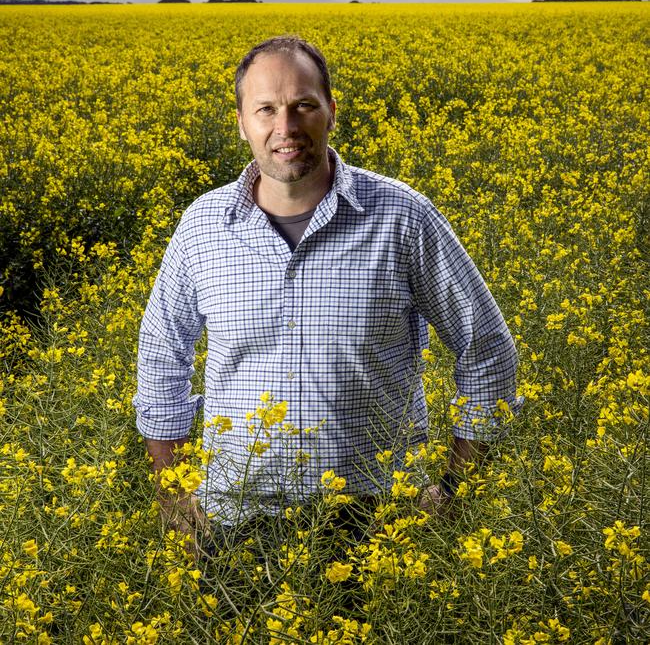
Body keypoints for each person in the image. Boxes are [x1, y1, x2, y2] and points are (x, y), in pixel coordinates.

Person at [133, 36, 522, 548]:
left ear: (332, 112)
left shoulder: (402, 216)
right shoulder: (203, 226)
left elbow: (488, 350)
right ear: (241, 121)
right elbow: (162, 359)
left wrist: (453, 490)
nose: (285, 128)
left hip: (379, 520)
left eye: (303, 106)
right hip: (232, 521)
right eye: (266, 109)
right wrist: (174, 492)